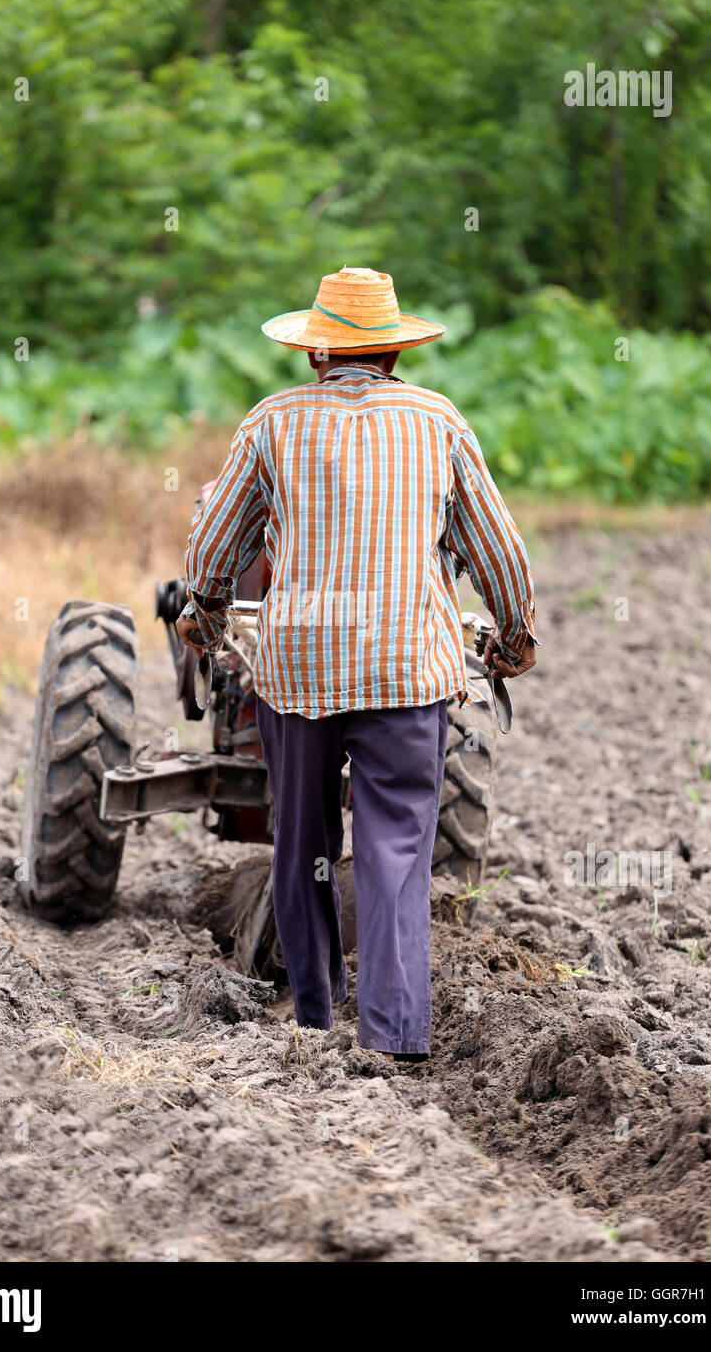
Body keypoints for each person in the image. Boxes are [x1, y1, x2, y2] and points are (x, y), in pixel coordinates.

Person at [177, 266, 537, 1060]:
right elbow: (499, 549)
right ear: (393, 354)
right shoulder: (439, 422)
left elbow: (214, 547)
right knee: (397, 851)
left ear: (316, 354)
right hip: (410, 672)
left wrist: (202, 615)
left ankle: (313, 1016)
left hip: (299, 671)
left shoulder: (270, 423)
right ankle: (395, 1034)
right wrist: (514, 638)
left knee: (302, 843)